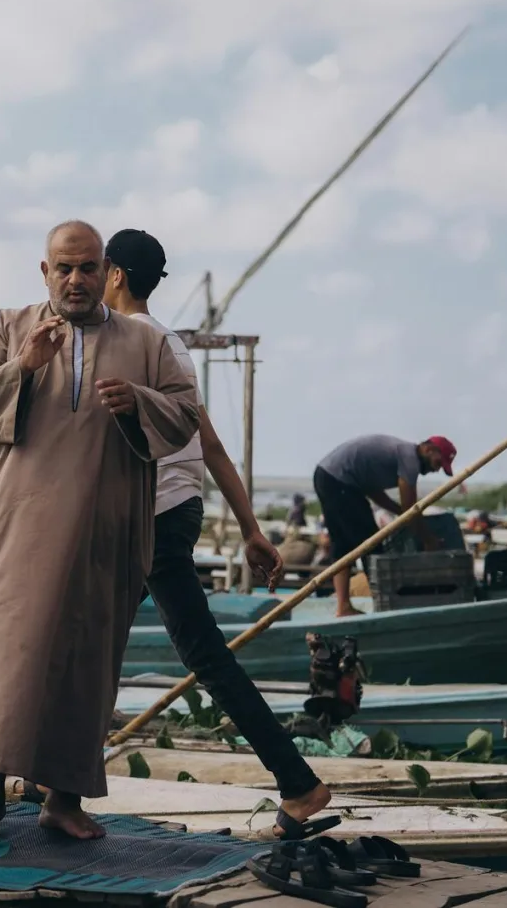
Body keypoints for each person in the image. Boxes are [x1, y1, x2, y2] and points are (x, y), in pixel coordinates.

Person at [0, 220, 200, 844]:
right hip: (12, 529)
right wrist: (24, 365)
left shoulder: (145, 342)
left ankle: (64, 800)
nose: (76, 280)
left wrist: (138, 401)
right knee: (0, 656)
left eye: (88, 268)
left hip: (101, 531)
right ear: (44, 271)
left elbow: (185, 415)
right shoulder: (7, 326)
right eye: (64, 268)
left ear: (107, 273)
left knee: (85, 659)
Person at [102, 228, 332, 837]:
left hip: (152, 512)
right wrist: (251, 529)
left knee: (199, 653)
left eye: (97, 269)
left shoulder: (130, 340)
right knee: (101, 640)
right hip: (180, 509)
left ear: (115, 275)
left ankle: (299, 783)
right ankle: (59, 783)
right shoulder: (171, 344)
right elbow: (212, 446)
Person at [313, 434, 457, 618]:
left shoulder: (398, 455)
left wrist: (399, 512)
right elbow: (410, 509)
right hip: (339, 480)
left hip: (326, 475)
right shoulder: (410, 459)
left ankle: (343, 607)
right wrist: (428, 540)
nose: (436, 470)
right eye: (438, 463)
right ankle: (384, 603)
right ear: (428, 449)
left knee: (342, 546)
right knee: (371, 544)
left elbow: (374, 491)